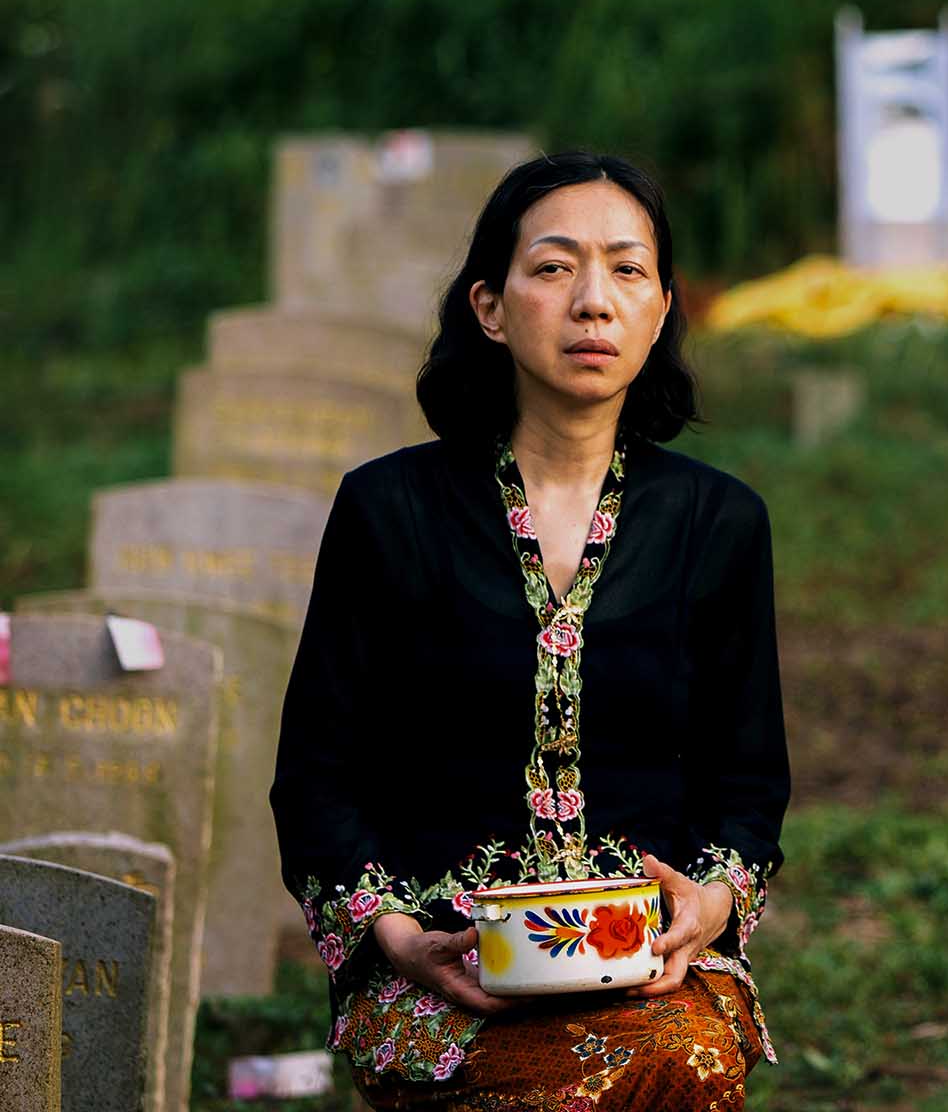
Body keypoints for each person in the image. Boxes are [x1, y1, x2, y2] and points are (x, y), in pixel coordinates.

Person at [272, 151, 789, 1110]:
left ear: (663, 308)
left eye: (628, 270)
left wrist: (708, 906)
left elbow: (749, 786)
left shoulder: (719, 525)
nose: (594, 301)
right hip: (444, 969)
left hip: (652, 972)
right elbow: (316, 781)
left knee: (672, 1061)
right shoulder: (389, 511)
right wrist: (397, 940)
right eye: (554, 268)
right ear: (490, 307)